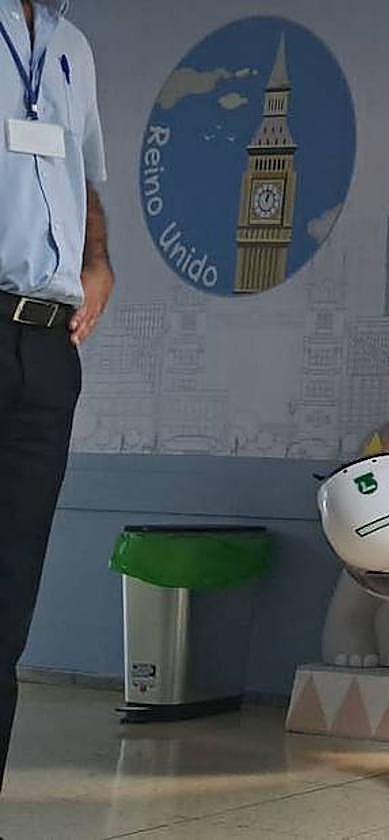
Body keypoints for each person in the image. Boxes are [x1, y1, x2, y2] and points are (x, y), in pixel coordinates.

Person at [0, 0, 112, 792]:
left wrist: (99, 260)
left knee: (9, 600)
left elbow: (84, 173)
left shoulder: (72, 44)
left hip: (45, 346)